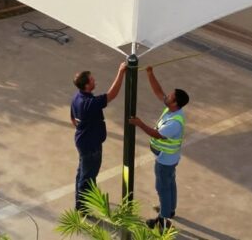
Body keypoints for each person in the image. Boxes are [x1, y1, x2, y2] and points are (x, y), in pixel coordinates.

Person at [129, 66, 189, 231]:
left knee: (162, 187)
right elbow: (158, 92)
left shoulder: (175, 122)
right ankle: (169, 210)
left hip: (165, 160)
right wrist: (150, 74)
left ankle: (163, 220)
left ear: (175, 103)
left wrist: (139, 123)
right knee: (170, 184)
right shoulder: (172, 109)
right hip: (169, 158)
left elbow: (156, 134)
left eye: (170, 96)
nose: (167, 96)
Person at [70, 62, 126, 212]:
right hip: (91, 146)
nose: (95, 81)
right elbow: (112, 95)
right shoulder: (89, 103)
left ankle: (80, 200)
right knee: (88, 177)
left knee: (82, 172)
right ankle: (82, 207)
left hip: (83, 142)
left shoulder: (77, 98)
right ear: (87, 85)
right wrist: (121, 72)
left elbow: (73, 119)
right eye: (92, 80)